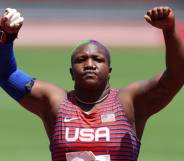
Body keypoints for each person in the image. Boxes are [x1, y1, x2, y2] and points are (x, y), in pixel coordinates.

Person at [0, 6, 184, 161]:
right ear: (71, 73)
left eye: (97, 59)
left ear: (109, 70)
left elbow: (176, 77)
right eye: (81, 60)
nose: (89, 64)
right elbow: (6, 74)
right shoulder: (55, 102)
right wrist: (7, 37)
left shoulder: (129, 103)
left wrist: (169, 31)